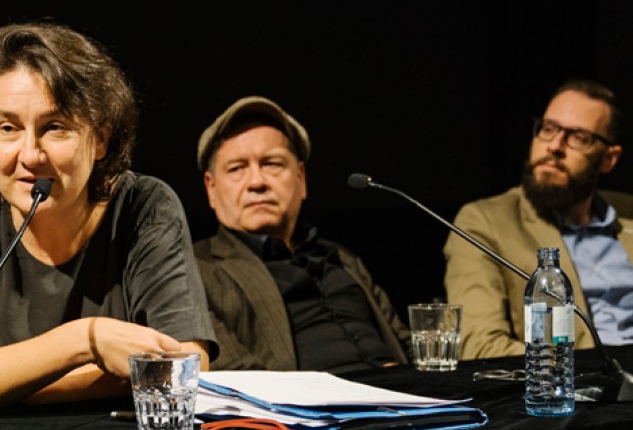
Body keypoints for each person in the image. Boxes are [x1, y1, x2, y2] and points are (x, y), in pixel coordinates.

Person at [0, 22, 213, 415]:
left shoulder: (145, 208)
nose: (30, 154)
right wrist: (84, 341)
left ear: (100, 140)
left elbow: (181, 369)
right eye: (8, 128)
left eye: (55, 128)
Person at [193, 96, 408, 371]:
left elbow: (406, 344)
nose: (257, 182)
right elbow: (234, 372)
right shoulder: (197, 270)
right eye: (237, 168)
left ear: (301, 178)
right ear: (211, 189)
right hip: (304, 410)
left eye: (272, 164)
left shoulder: (343, 258)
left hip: (404, 400)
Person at [445, 79, 633, 359]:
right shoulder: (485, 221)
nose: (554, 146)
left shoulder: (627, 212)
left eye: (578, 137)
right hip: (576, 390)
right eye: (548, 129)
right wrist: (582, 372)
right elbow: (480, 346)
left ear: (609, 158)